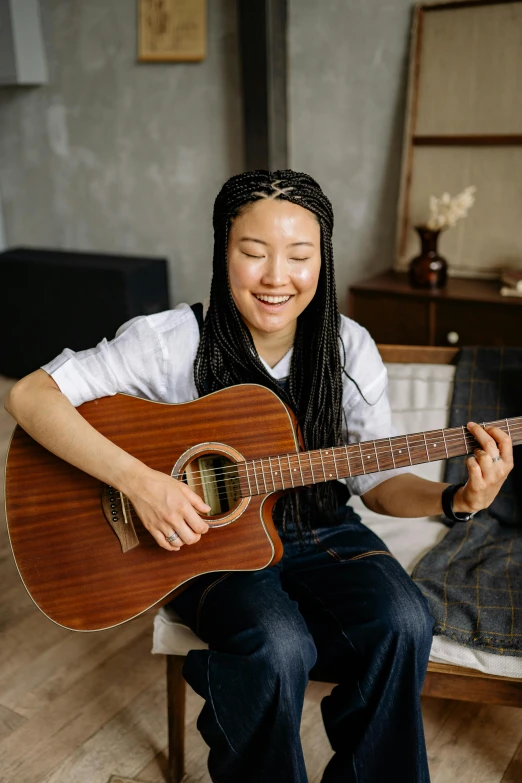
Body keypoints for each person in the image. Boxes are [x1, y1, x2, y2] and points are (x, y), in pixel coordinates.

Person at [6, 170, 512, 783]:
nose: (277, 278)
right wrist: (141, 482)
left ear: (321, 261)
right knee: (279, 644)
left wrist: (456, 498)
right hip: (208, 547)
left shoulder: (349, 349)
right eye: (253, 253)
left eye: (300, 256)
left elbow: (378, 482)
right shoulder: (167, 342)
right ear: (223, 253)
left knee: (405, 619)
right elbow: (32, 396)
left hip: (323, 531)